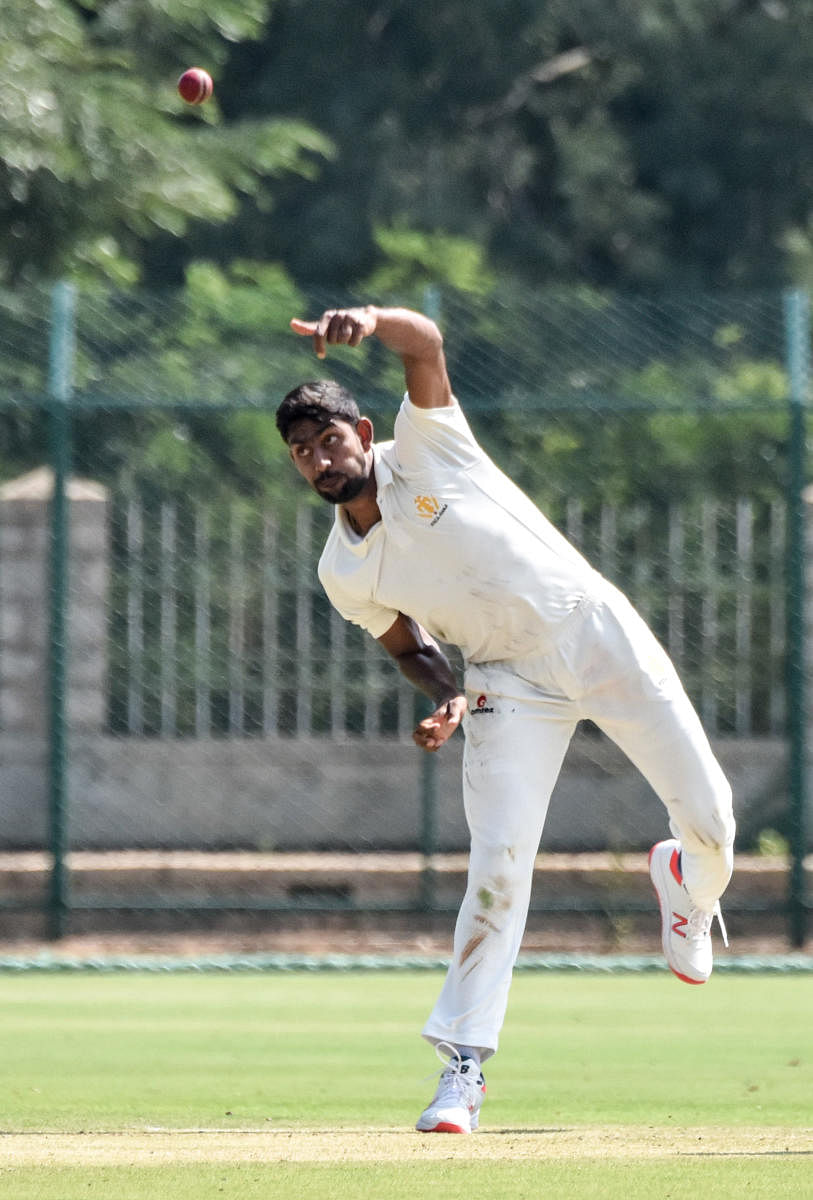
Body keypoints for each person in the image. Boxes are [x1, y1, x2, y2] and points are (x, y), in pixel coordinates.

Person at [276, 304, 735, 1135]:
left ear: (363, 430)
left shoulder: (426, 449)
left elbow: (426, 344)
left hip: (592, 631)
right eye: (303, 452)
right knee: (497, 865)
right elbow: (406, 644)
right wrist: (443, 694)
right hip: (506, 682)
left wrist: (372, 320)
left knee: (711, 821)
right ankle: (461, 1068)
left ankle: (687, 886)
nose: (319, 459)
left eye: (330, 440)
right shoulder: (342, 568)